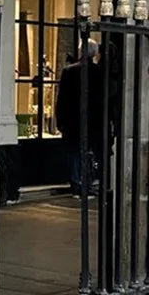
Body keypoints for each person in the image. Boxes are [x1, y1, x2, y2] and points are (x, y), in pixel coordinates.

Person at [55, 38, 105, 196]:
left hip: (72, 119)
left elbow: (62, 99)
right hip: (94, 119)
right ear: (95, 53)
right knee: (89, 151)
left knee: (74, 152)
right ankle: (88, 181)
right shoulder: (99, 72)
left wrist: (60, 119)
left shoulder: (69, 71)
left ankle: (76, 182)